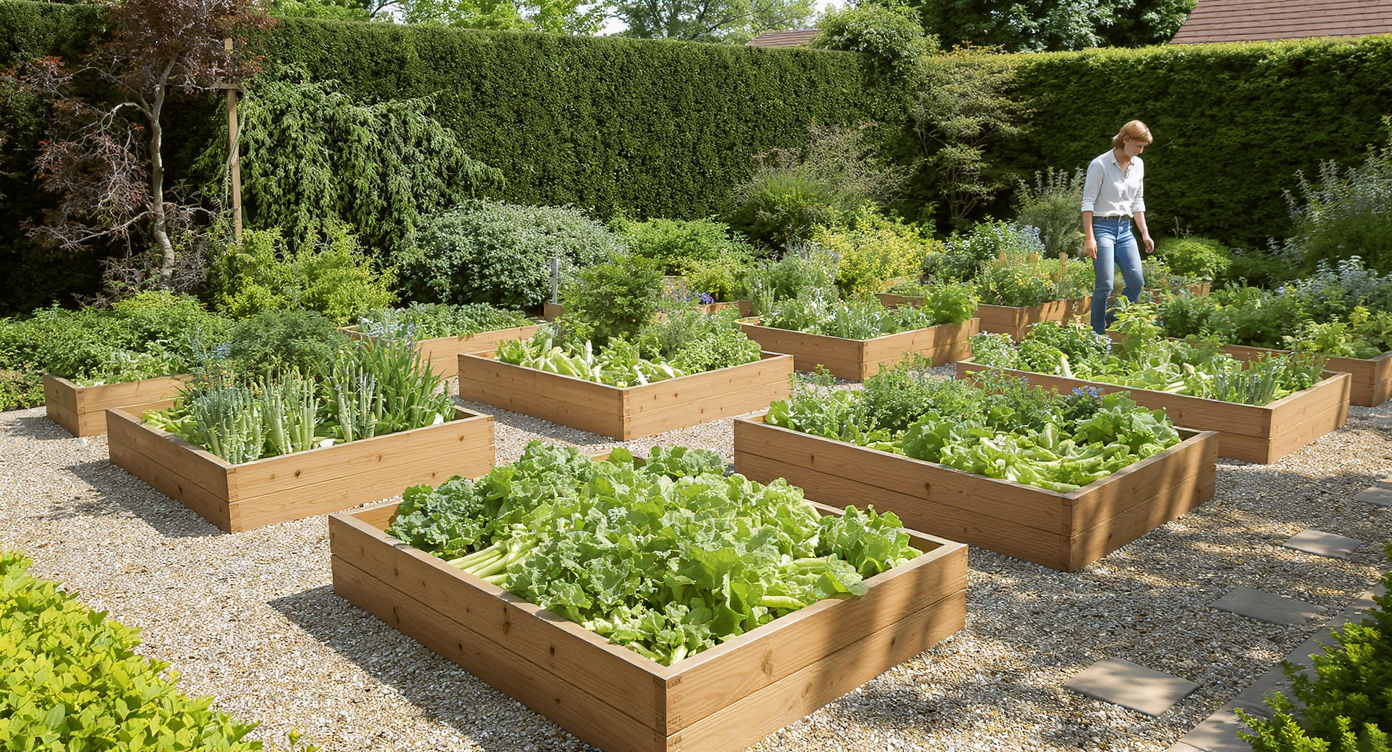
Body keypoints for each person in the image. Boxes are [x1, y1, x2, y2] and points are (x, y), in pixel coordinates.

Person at [1081, 120, 1154, 335]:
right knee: (1105, 285)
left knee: (1136, 282)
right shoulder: (1100, 165)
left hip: (1125, 230)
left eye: (1143, 147)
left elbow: (1138, 202)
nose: (1141, 151)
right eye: (1138, 146)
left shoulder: (1138, 165)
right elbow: (1088, 203)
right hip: (1102, 227)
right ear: (1126, 140)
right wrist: (1089, 238)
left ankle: (1112, 322)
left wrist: (1145, 233)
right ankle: (1097, 335)